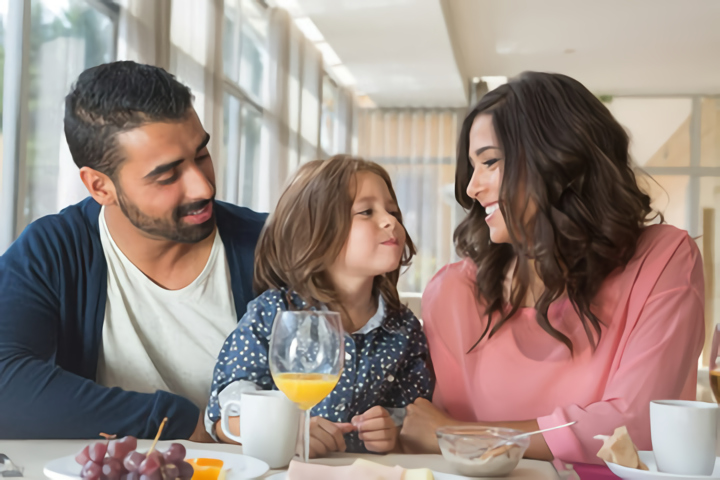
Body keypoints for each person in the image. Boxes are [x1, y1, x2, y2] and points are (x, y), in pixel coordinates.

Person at [400, 72, 705, 465]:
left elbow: (636, 425)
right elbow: (439, 449)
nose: (472, 188)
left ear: (558, 159)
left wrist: (457, 433)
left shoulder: (662, 260)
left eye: (490, 161)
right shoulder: (452, 293)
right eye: (472, 167)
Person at [0, 61, 266, 440]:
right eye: (167, 175)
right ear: (99, 186)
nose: (203, 187)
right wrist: (182, 422)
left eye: (201, 155)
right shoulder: (54, 250)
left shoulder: (273, 245)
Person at [206, 155, 433, 456]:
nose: (390, 220)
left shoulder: (404, 330)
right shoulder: (274, 314)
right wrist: (285, 432)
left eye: (392, 210)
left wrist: (393, 431)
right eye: (366, 211)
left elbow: (415, 418)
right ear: (314, 232)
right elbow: (226, 412)